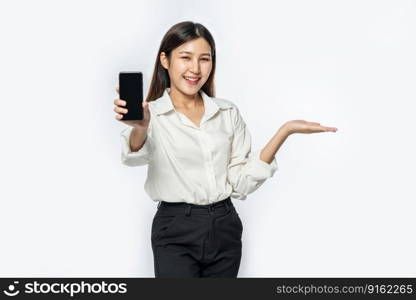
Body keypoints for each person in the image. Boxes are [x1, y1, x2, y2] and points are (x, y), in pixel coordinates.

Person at [113, 21, 337, 278]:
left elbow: (240, 183)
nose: (195, 69)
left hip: (225, 226)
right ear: (165, 60)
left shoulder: (226, 113)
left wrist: (284, 131)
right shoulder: (151, 114)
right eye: (185, 57)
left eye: (204, 59)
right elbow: (132, 156)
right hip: (175, 228)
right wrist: (141, 126)